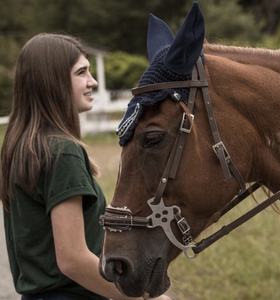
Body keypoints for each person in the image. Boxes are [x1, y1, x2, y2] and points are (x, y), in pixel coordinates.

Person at [0, 33, 170, 300]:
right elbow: (72, 259)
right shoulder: (62, 151)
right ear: (52, 81)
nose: (93, 82)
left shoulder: (21, 148)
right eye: (81, 73)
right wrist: (142, 298)